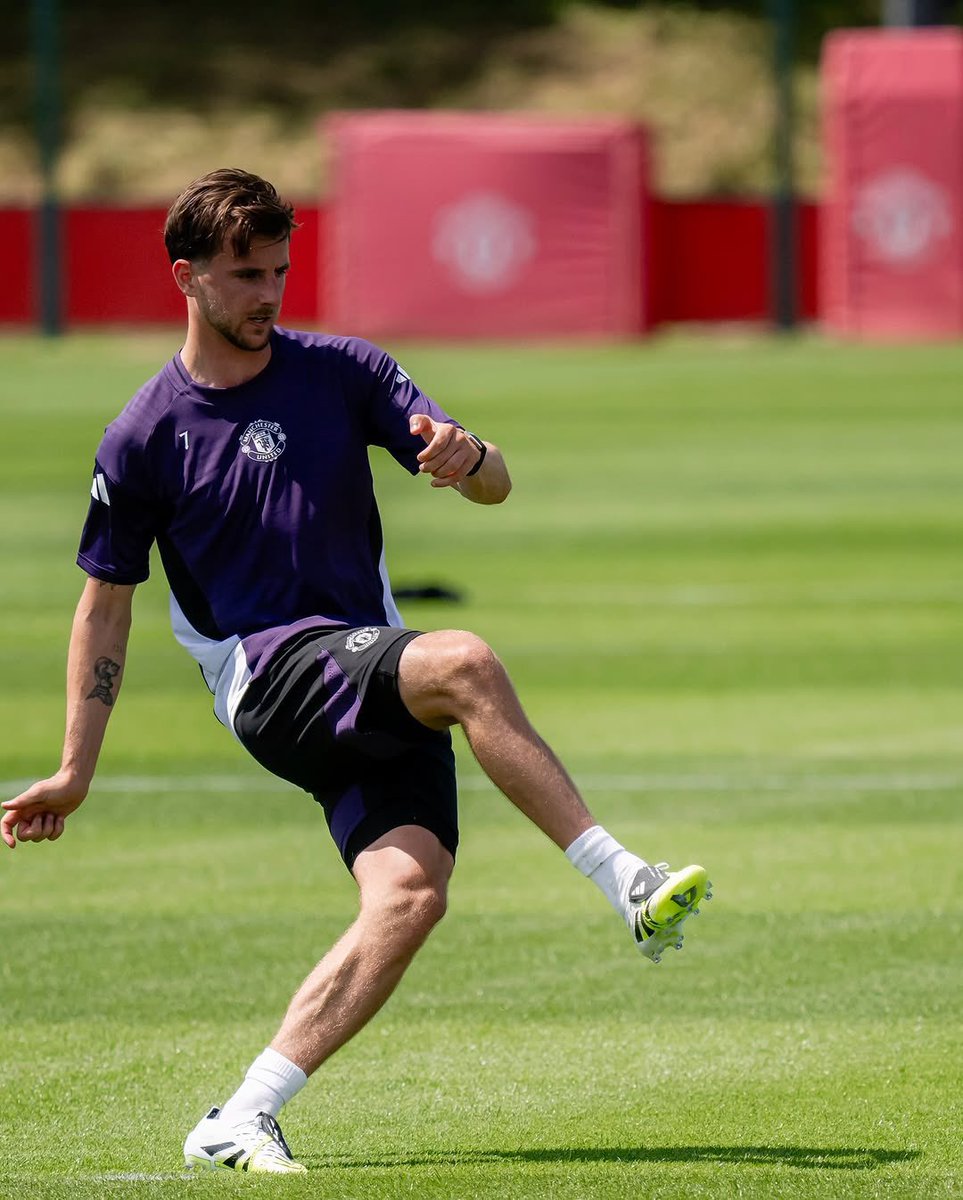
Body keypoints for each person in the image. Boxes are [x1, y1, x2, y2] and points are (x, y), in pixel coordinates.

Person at [1, 168, 712, 1175]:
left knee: (411, 895)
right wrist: (75, 768)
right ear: (187, 276)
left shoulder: (344, 371)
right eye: (246, 274)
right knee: (463, 660)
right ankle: (624, 878)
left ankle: (239, 1117)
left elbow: (492, 480)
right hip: (270, 678)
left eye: (280, 271)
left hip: (364, 667)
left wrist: (469, 461)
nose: (269, 293)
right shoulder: (145, 434)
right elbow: (103, 605)